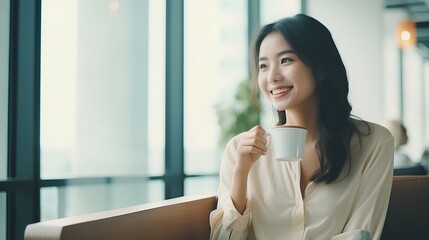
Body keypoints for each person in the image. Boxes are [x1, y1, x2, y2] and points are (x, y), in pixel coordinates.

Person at [209, 14, 394, 240]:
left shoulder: (373, 143)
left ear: (321, 68)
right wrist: (241, 173)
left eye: (286, 60)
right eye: (263, 66)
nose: (272, 77)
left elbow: (361, 235)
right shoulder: (240, 150)